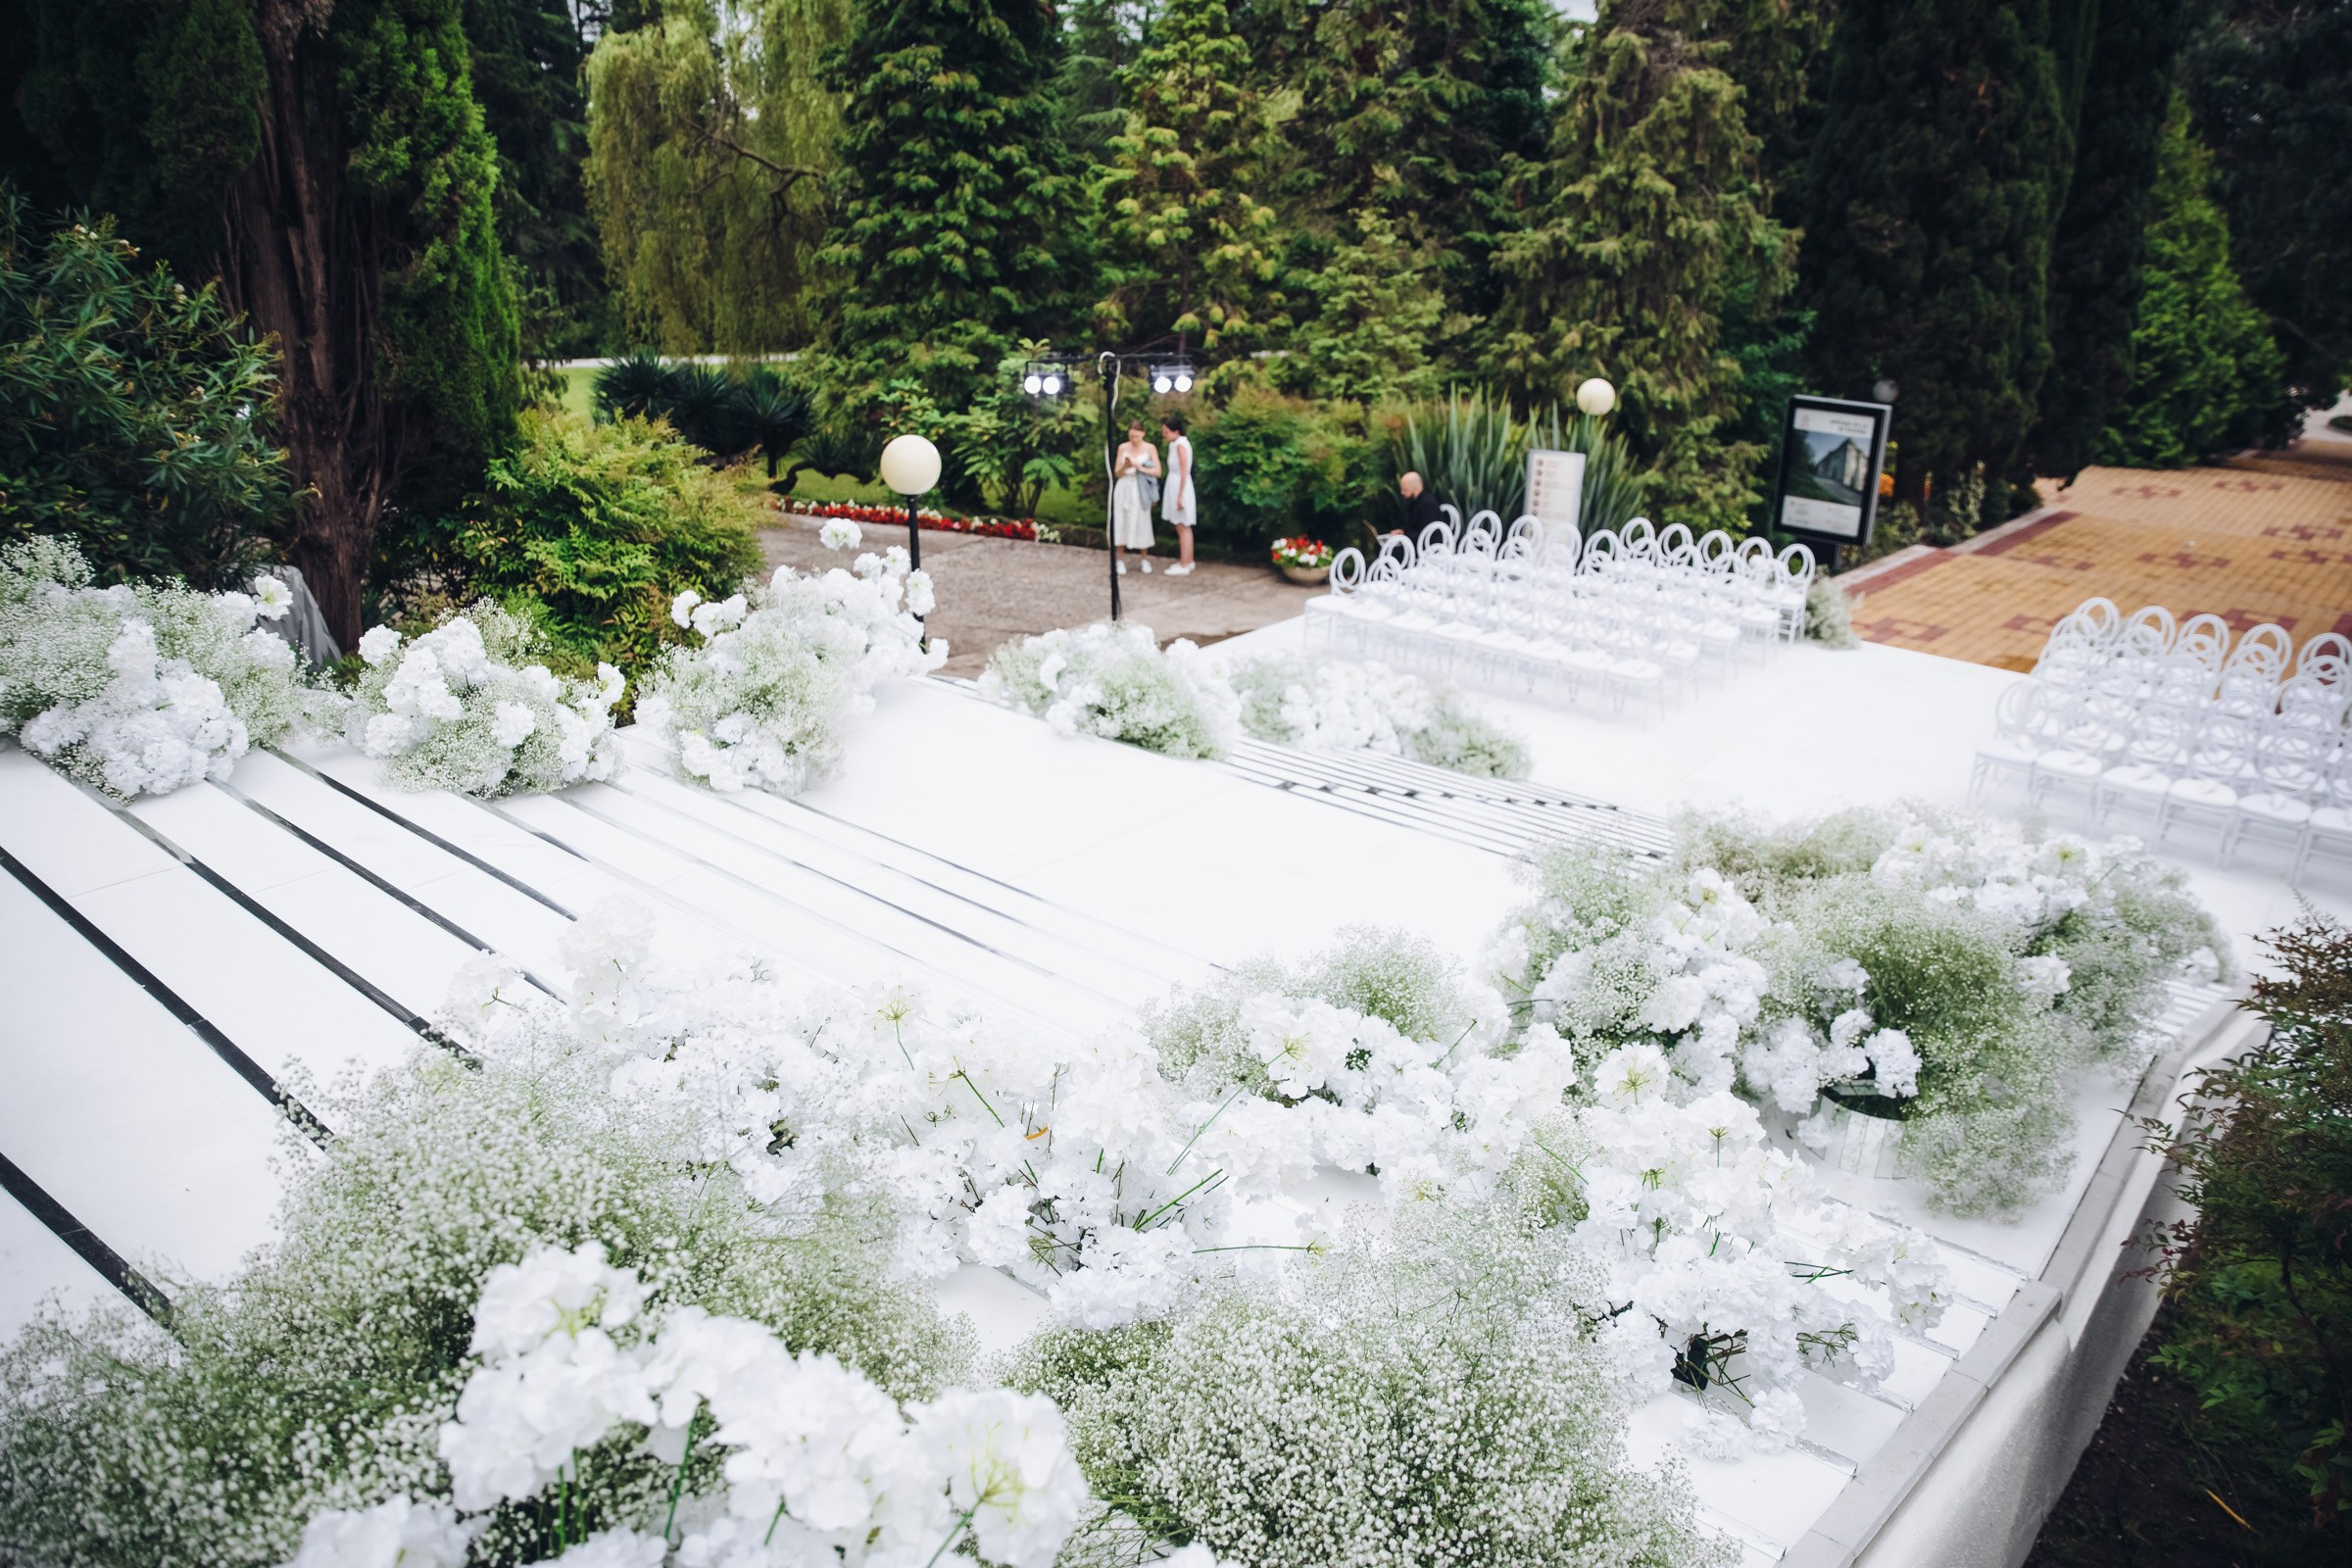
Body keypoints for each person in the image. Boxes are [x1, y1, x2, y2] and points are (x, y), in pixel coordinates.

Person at [1110, 421, 1160, 573]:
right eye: (1131, 436)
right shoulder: (1123, 447)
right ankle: (1119, 559)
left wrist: (1139, 467)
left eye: (1137, 436)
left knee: (1142, 521)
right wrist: (1125, 466)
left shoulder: (1150, 448)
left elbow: (1158, 471)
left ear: (1143, 434)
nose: (1134, 439)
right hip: (1124, 487)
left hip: (1140, 488)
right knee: (1121, 520)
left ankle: (1144, 559)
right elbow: (1116, 473)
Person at [1160, 414, 1197, 576]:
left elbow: (1183, 471)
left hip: (1180, 486)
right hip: (1175, 484)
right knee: (1182, 526)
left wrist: (1180, 496)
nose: (1164, 435)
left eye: (1166, 432)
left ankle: (1184, 563)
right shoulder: (1175, 444)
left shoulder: (1181, 444)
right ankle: (1188, 560)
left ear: (1175, 431)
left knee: (1183, 526)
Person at [1396, 470, 1443, 538]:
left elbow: (1427, 533)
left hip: (1426, 546)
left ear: (1413, 487)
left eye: (1405, 490)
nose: (1402, 493)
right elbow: (1413, 526)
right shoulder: (1414, 501)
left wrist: (1403, 537)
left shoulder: (1427, 504)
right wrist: (1403, 531)